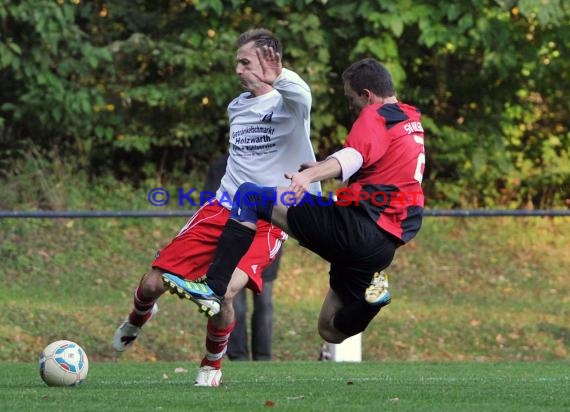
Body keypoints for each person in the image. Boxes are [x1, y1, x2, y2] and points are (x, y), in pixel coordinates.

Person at [163, 58, 425, 345]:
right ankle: (371, 303)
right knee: (330, 330)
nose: (351, 106)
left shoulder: (375, 115)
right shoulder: (410, 120)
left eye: (352, 99)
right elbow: (374, 165)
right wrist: (324, 164)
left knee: (249, 195)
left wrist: (310, 174)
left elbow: (353, 157)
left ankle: (213, 286)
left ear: (367, 95)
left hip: (354, 229)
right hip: (382, 249)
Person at [113, 28, 320, 386]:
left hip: (269, 218)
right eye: (236, 63)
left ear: (271, 61)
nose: (238, 70)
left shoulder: (291, 102)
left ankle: (211, 365)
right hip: (221, 210)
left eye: (245, 62)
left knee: (224, 293)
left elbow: (301, 92)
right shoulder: (236, 106)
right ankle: (136, 319)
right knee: (151, 284)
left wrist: (279, 76)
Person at [204, 153, 281, 361]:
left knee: (263, 303)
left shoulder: (273, 162)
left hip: (264, 242)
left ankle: (263, 357)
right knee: (233, 300)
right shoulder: (222, 166)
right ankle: (238, 356)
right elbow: (212, 202)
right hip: (234, 243)